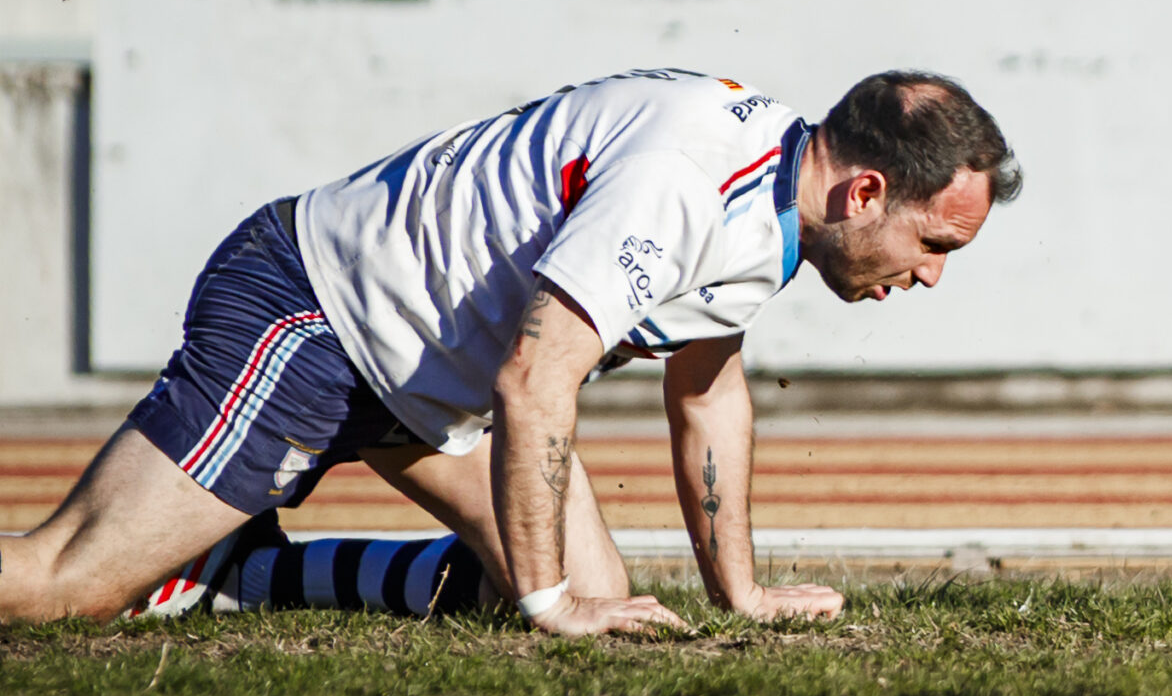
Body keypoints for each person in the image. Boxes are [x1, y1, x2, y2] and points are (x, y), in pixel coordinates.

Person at [0, 67, 1020, 632]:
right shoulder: (689, 182)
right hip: (317, 313)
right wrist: (546, 603)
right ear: (868, 193)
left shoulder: (775, 202)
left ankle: (223, 572)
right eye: (934, 245)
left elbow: (707, 396)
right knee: (57, 588)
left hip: (422, 371)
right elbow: (536, 380)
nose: (929, 275)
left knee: (604, 603)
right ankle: (153, 561)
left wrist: (739, 594)